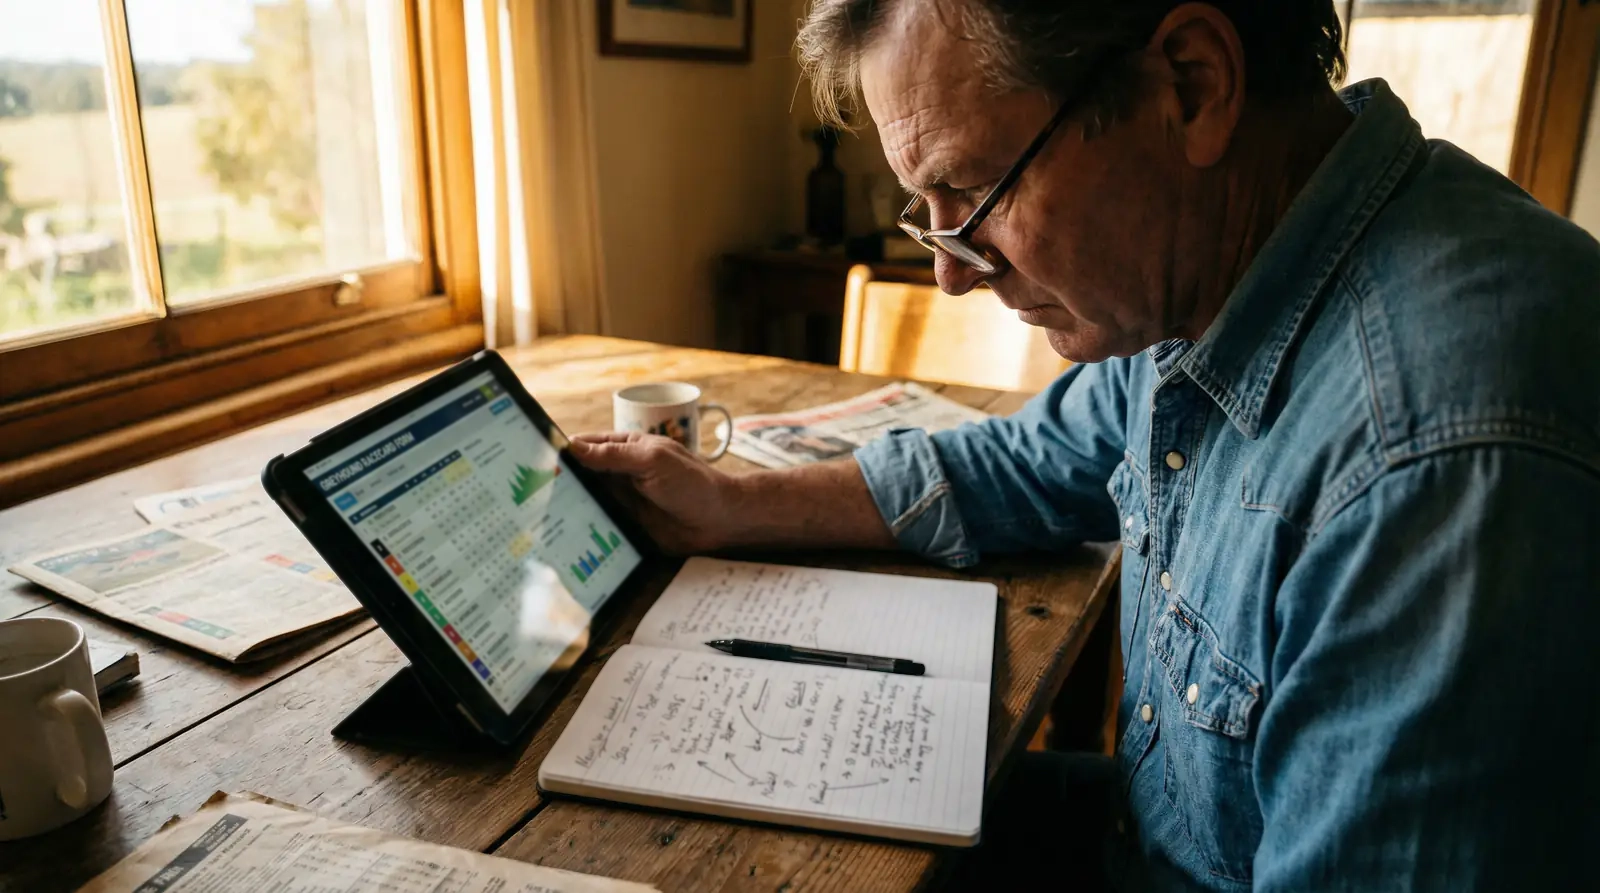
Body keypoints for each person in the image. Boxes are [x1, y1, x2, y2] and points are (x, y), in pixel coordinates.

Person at [570, 0, 1600, 888]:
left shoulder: (1439, 471)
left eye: (972, 191)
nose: (951, 272)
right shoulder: (1216, 280)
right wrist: (732, 502)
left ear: (1190, 86)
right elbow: (1021, 461)